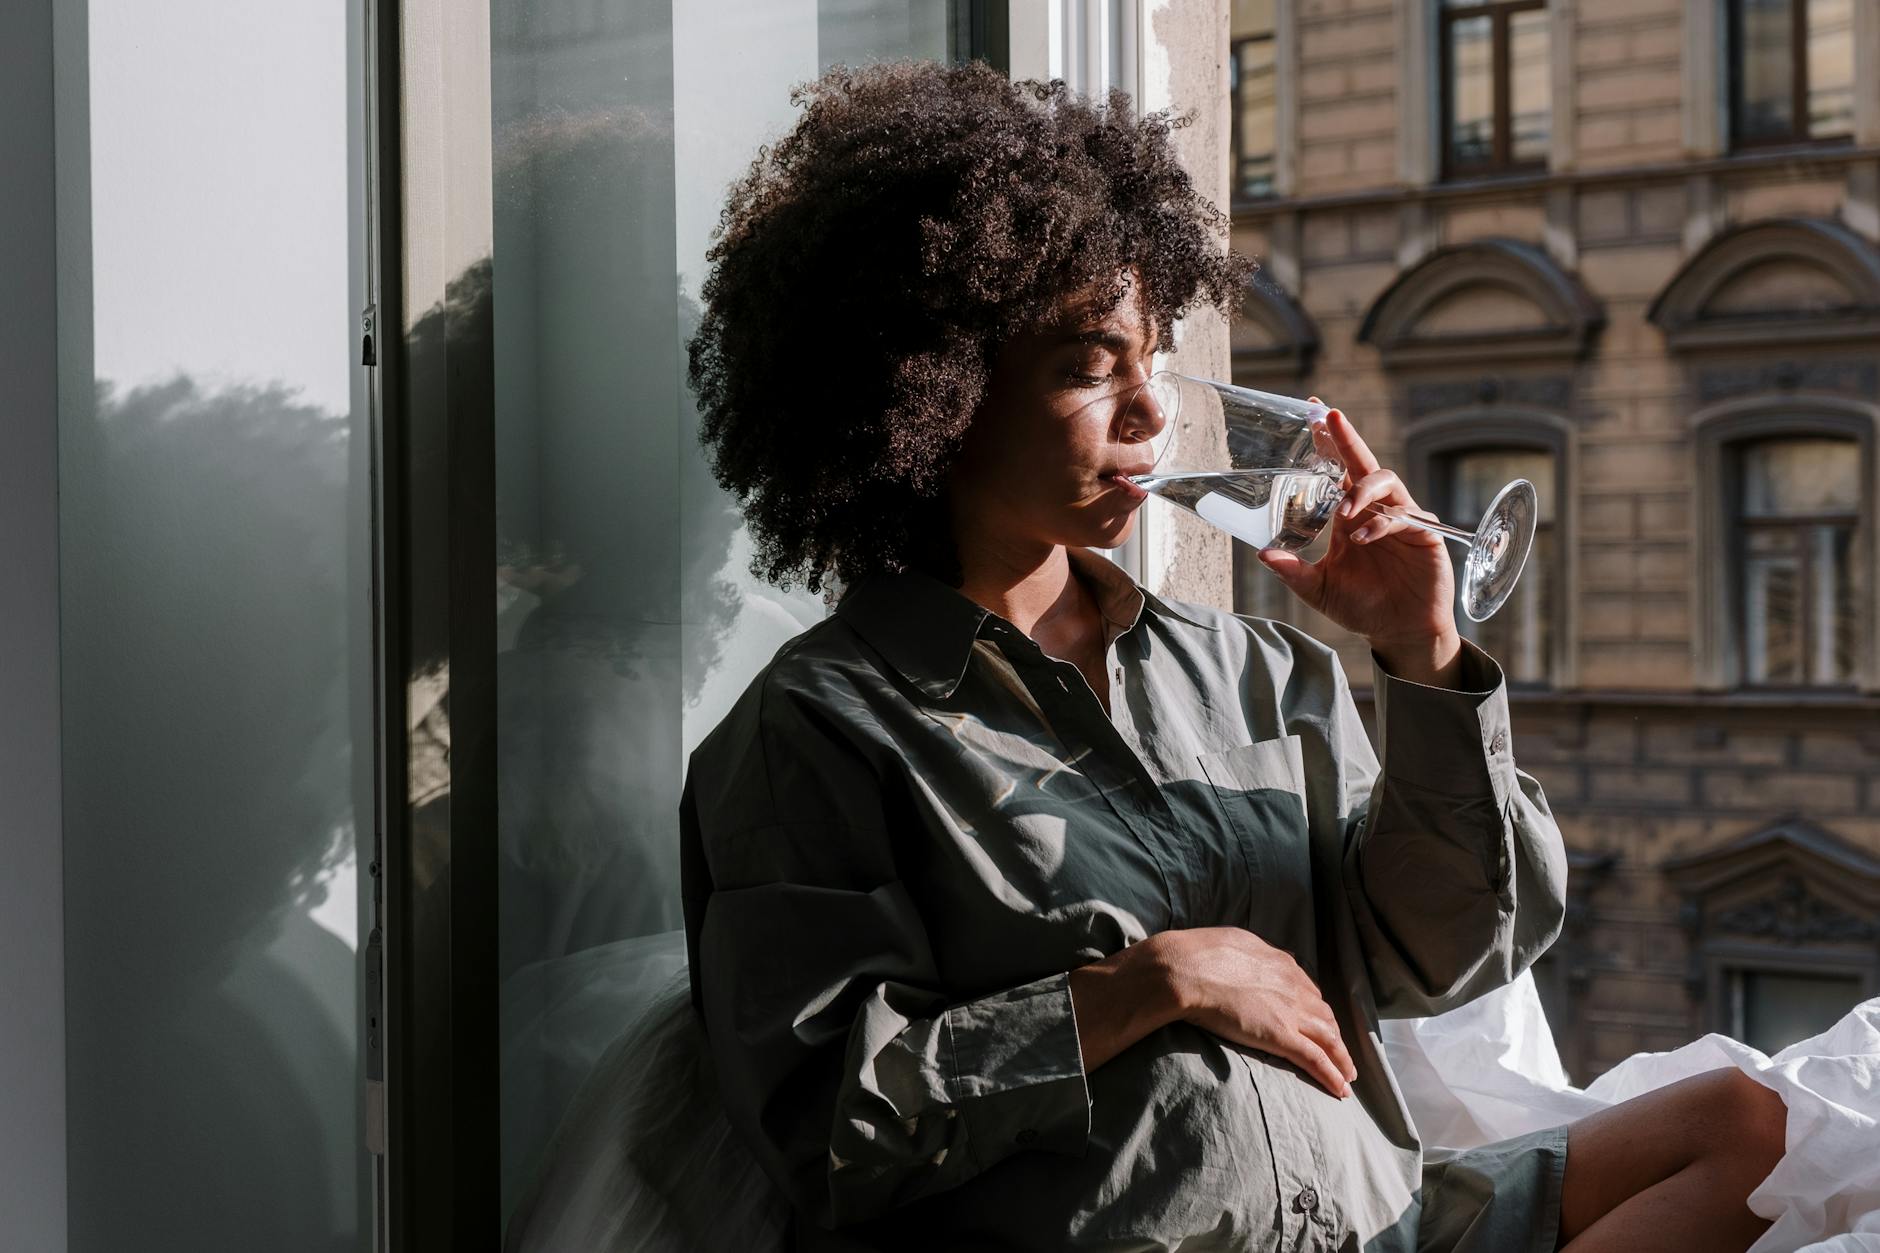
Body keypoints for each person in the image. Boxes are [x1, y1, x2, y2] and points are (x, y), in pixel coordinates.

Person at [678, 60, 1787, 1253]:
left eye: (1149, 358)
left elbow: (1446, 952)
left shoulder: (1257, 669)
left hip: (1381, 1221)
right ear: (929, 389)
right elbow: (825, 1133)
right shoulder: (824, 730)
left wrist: (1417, 656)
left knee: (1750, 1125)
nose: (1148, 413)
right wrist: (1129, 992)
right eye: (1085, 364)